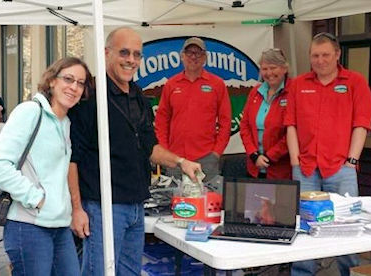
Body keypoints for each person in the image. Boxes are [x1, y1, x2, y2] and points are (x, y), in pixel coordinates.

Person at [68, 27, 201, 276]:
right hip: (102, 206)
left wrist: (181, 161)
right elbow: (72, 159)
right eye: (124, 53)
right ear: (107, 53)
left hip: (137, 205)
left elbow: (150, 148)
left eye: (137, 55)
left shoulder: (139, 96)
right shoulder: (90, 97)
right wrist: (77, 209)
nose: (131, 60)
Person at [0, 57, 93, 275]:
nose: (74, 87)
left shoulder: (66, 122)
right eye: (68, 79)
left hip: (60, 226)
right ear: (52, 81)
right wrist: (35, 198)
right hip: (29, 226)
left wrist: (73, 209)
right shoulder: (30, 111)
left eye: (80, 83)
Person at [284, 32, 371, 276]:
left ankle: (349, 273)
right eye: (315, 55)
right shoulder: (298, 85)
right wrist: (294, 161)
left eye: (325, 55)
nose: (320, 60)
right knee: (303, 229)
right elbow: (290, 124)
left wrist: (351, 161)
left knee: (349, 231)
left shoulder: (355, 82)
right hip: (306, 170)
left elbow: (361, 124)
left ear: (337, 54)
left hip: (341, 170)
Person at [154, 37, 231, 182]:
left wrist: (216, 153)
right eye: (189, 53)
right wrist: (165, 152)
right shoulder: (171, 84)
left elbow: (225, 122)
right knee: (175, 202)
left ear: (205, 58)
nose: (193, 57)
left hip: (206, 159)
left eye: (198, 53)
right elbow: (161, 121)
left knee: (208, 202)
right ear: (182, 56)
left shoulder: (217, 84)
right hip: (176, 160)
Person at [240, 48, 291, 180]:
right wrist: (254, 155)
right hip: (254, 169)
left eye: (273, 68)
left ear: (284, 68)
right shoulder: (255, 92)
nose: (269, 73)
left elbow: (292, 132)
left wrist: (270, 156)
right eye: (264, 69)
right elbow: (244, 126)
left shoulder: (293, 93)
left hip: (281, 171)